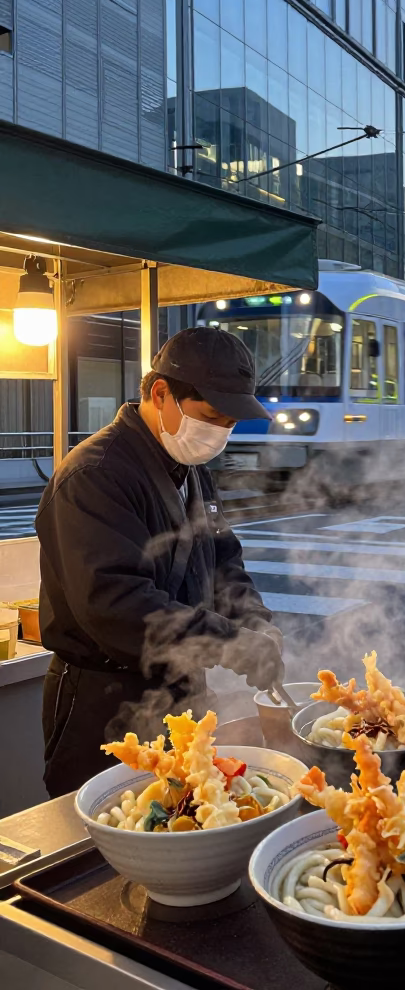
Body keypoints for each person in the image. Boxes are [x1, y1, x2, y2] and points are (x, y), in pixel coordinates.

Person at [37, 327, 285, 797]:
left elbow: (223, 563)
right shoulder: (97, 474)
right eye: (212, 416)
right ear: (160, 393)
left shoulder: (190, 470)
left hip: (181, 690)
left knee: (184, 820)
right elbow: (116, 604)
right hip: (103, 699)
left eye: (231, 423)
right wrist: (229, 642)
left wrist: (256, 623)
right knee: (103, 838)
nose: (221, 433)